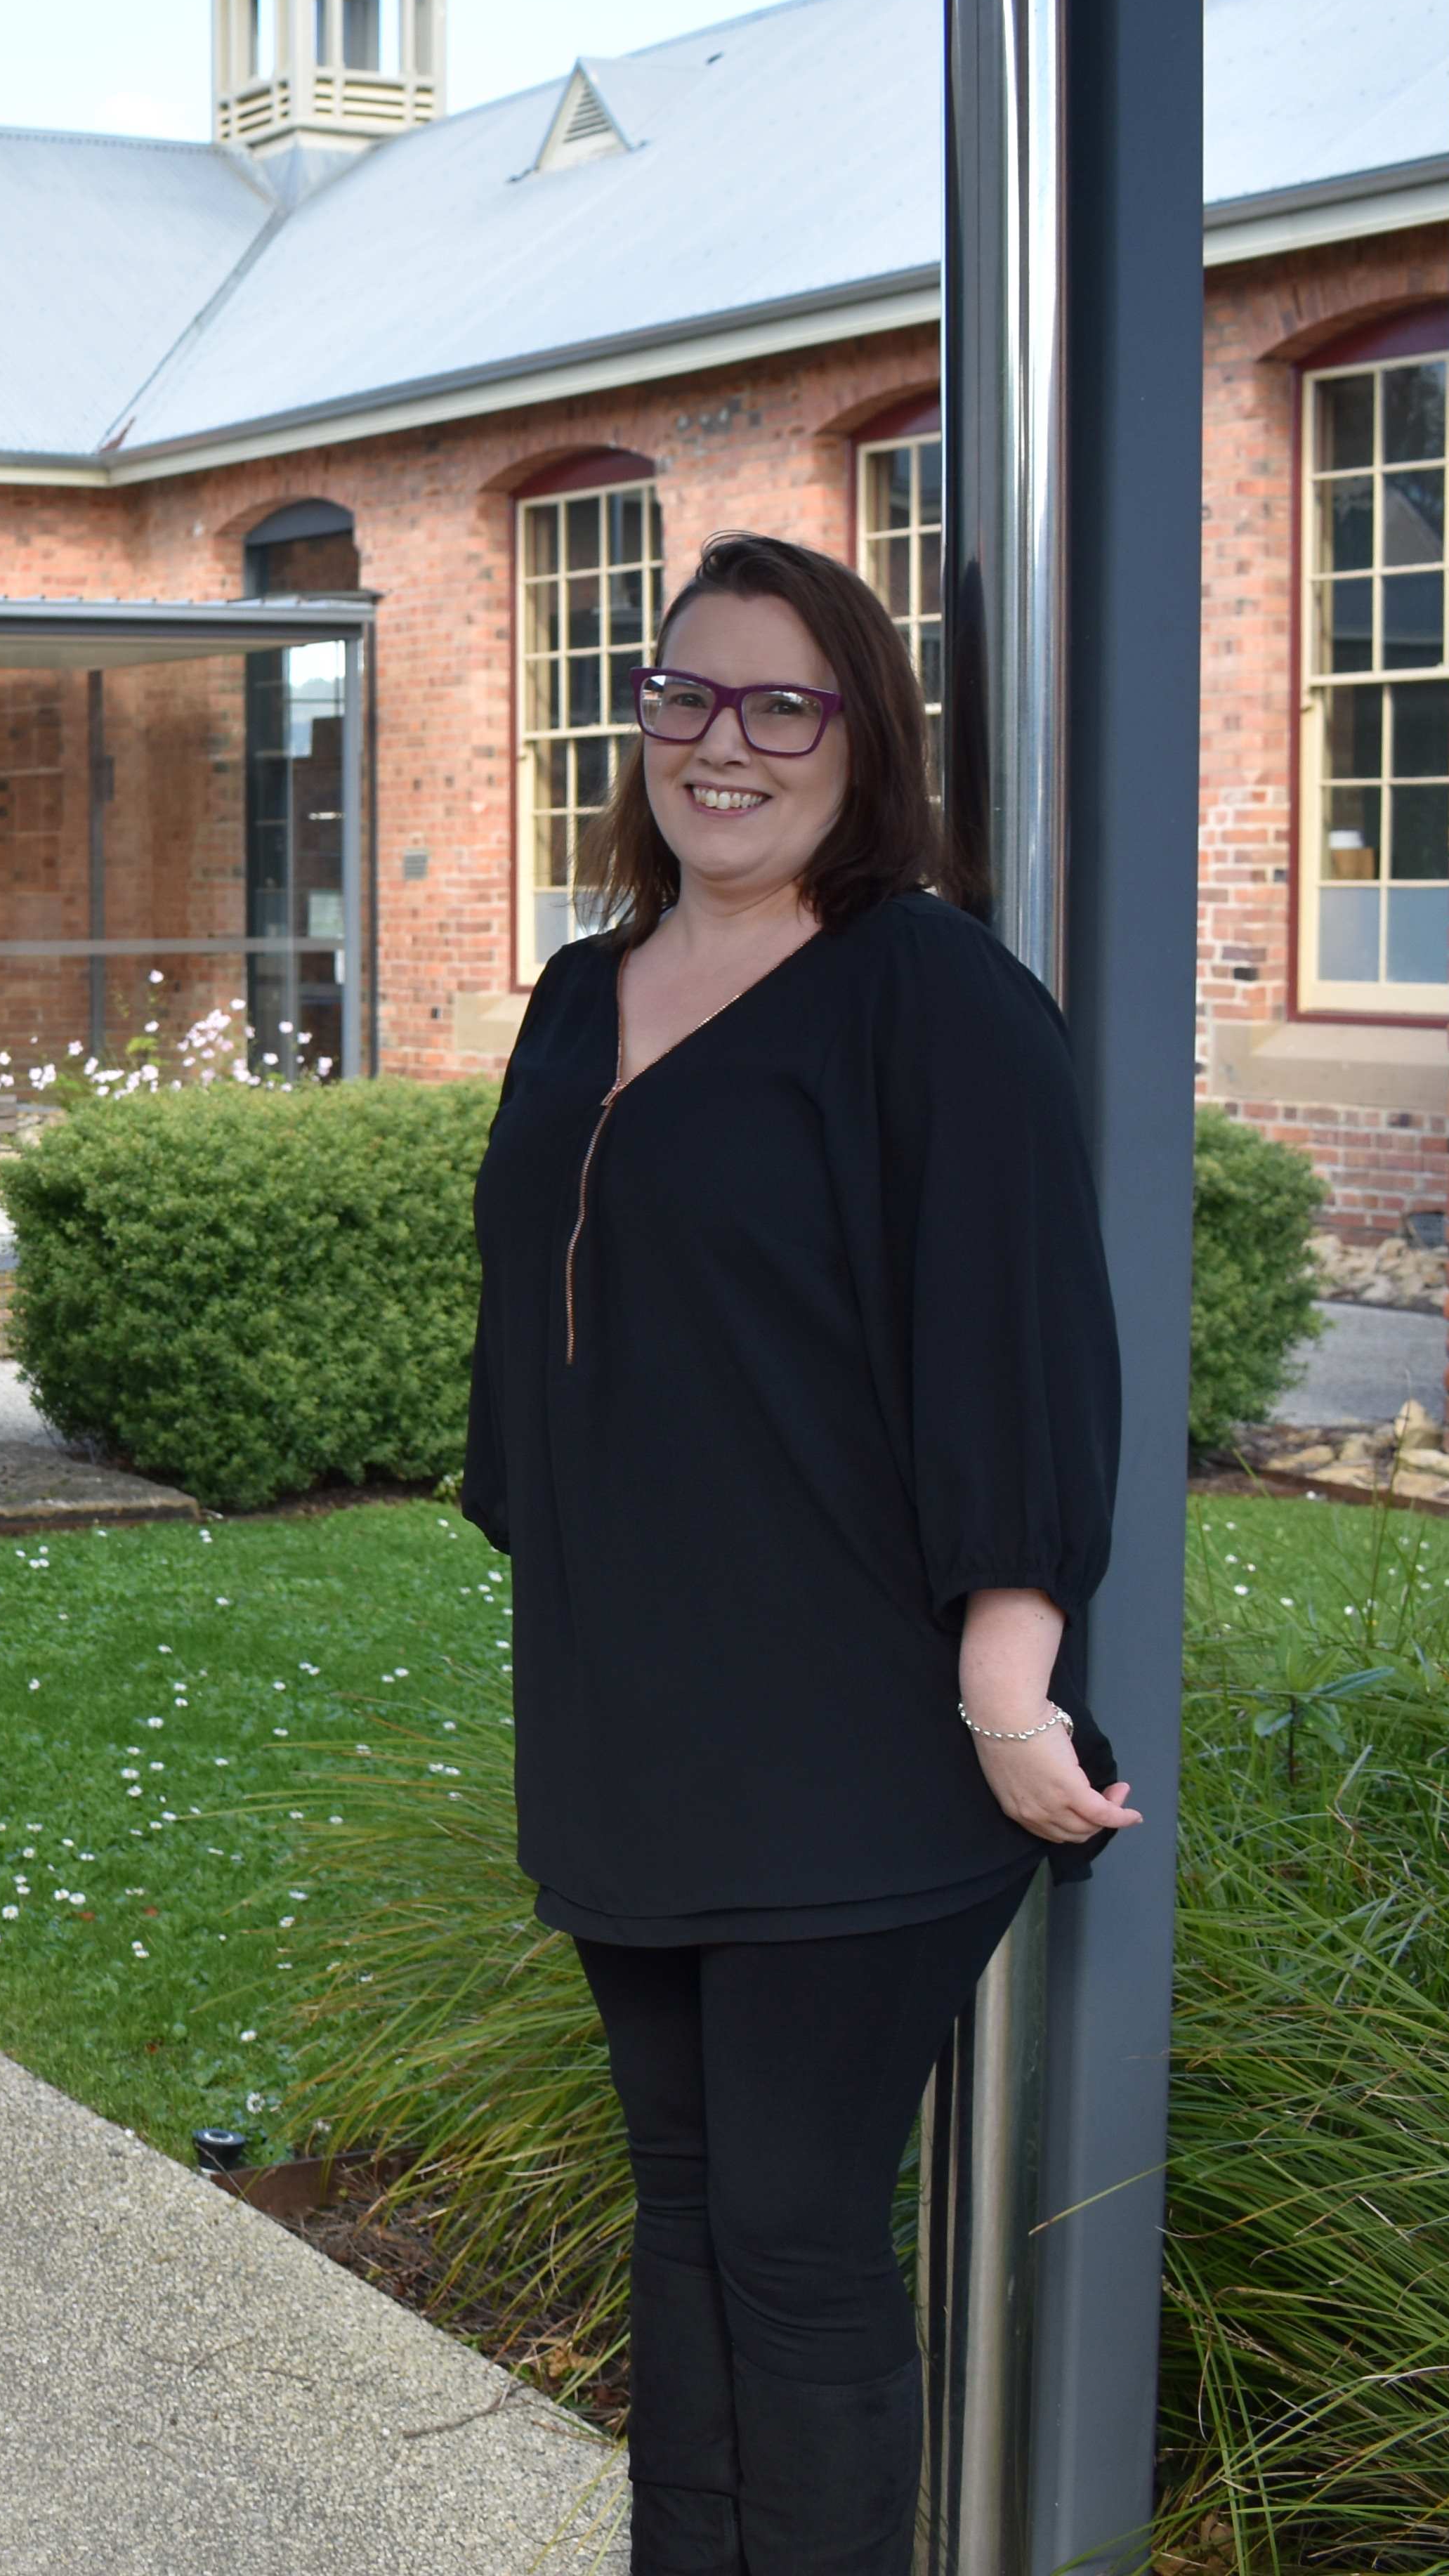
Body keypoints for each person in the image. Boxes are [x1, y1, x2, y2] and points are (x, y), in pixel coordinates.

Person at [460, 531, 1139, 2574]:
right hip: (632, 1726)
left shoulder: (929, 995)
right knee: (682, 2220)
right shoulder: (585, 992)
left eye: (781, 703)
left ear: (866, 741)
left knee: (798, 2240)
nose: (722, 743)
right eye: (686, 697)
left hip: (857, 1741)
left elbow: (1022, 1345)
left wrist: (1007, 1684)